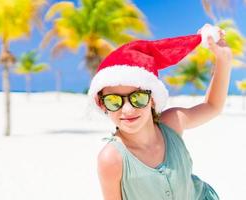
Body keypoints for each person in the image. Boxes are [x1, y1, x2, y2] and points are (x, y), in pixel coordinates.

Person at [87, 24, 232, 200]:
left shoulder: (172, 122)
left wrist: (223, 59)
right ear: (102, 104)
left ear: (153, 98)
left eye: (138, 97)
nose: (127, 109)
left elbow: (213, 106)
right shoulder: (111, 159)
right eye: (113, 101)